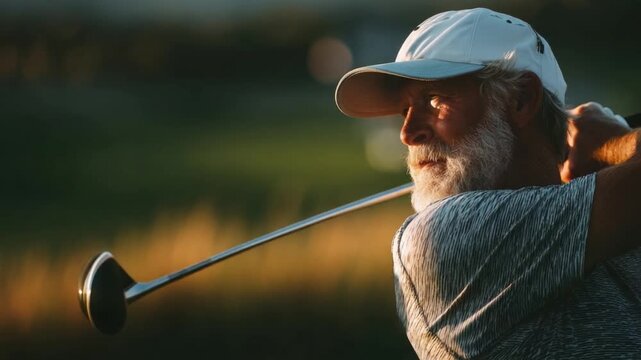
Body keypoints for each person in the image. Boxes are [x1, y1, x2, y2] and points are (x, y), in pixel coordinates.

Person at [335, 8, 641, 359]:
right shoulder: (442, 235)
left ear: (522, 100)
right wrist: (615, 143)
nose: (407, 134)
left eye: (434, 101)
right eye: (404, 110)